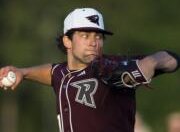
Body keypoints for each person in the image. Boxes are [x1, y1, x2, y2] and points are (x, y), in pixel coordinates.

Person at [0, 8, 179, 132]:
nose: (94, 42)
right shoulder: (61, 73)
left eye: (98, 36)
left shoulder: (112, 66)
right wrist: (22, 73)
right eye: (85, 35)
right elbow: (52, 73)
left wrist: (151, 62)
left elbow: (172, 59)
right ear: (67, 41)